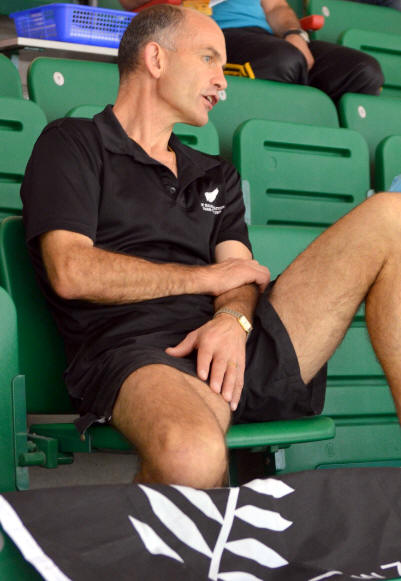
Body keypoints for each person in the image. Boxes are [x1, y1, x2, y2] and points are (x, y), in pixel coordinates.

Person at [22, 5, 401, 490]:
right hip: (141, 354)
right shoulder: (73, 143)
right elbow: (71, 271)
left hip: (236, 347)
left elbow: (239, 275)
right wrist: (204, 279)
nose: (223, 82)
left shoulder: (215, 173)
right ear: (155, 58)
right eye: (208, 59)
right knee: (192, 457)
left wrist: (232, 321)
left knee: (390, 215)